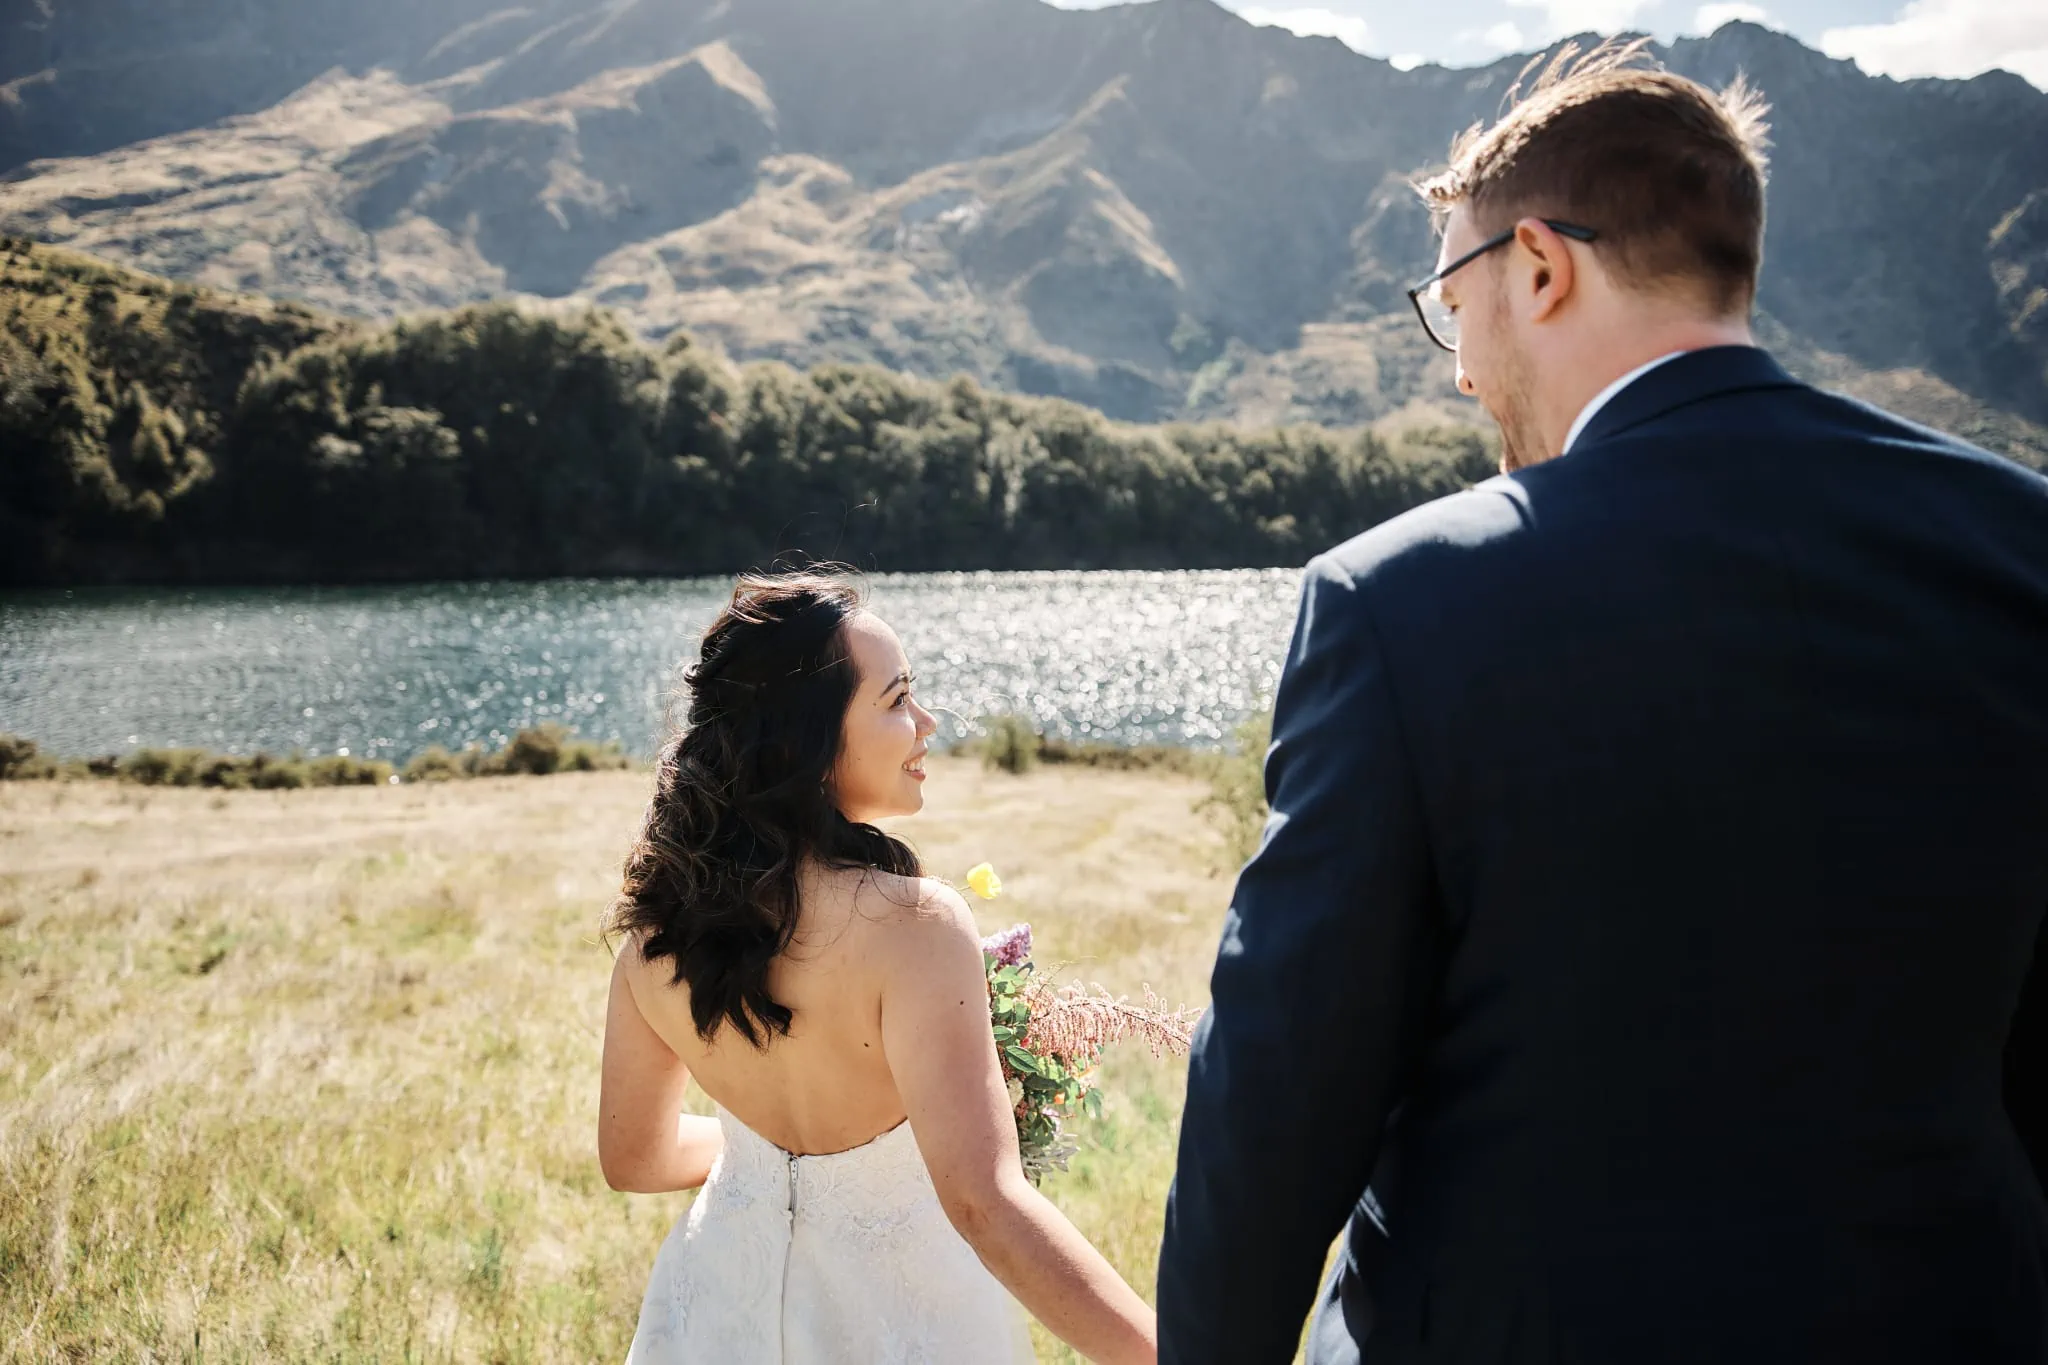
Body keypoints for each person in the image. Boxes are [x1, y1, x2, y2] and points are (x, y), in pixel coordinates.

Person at [1159, 40, 2048, 1365]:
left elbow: (1279, 1098)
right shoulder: (2016, 547)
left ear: (1538, 268)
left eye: (1450, 301)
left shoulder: (1397, 604)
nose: (1460, 368)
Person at [601, 571, 1156, 1364]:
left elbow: (634, 1157)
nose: (926, 723)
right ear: (809, 740)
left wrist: (768, 1164)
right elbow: (984, 1204)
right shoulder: (916, 927)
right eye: (897, 700)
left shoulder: (655, 940)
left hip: (720, 1313)